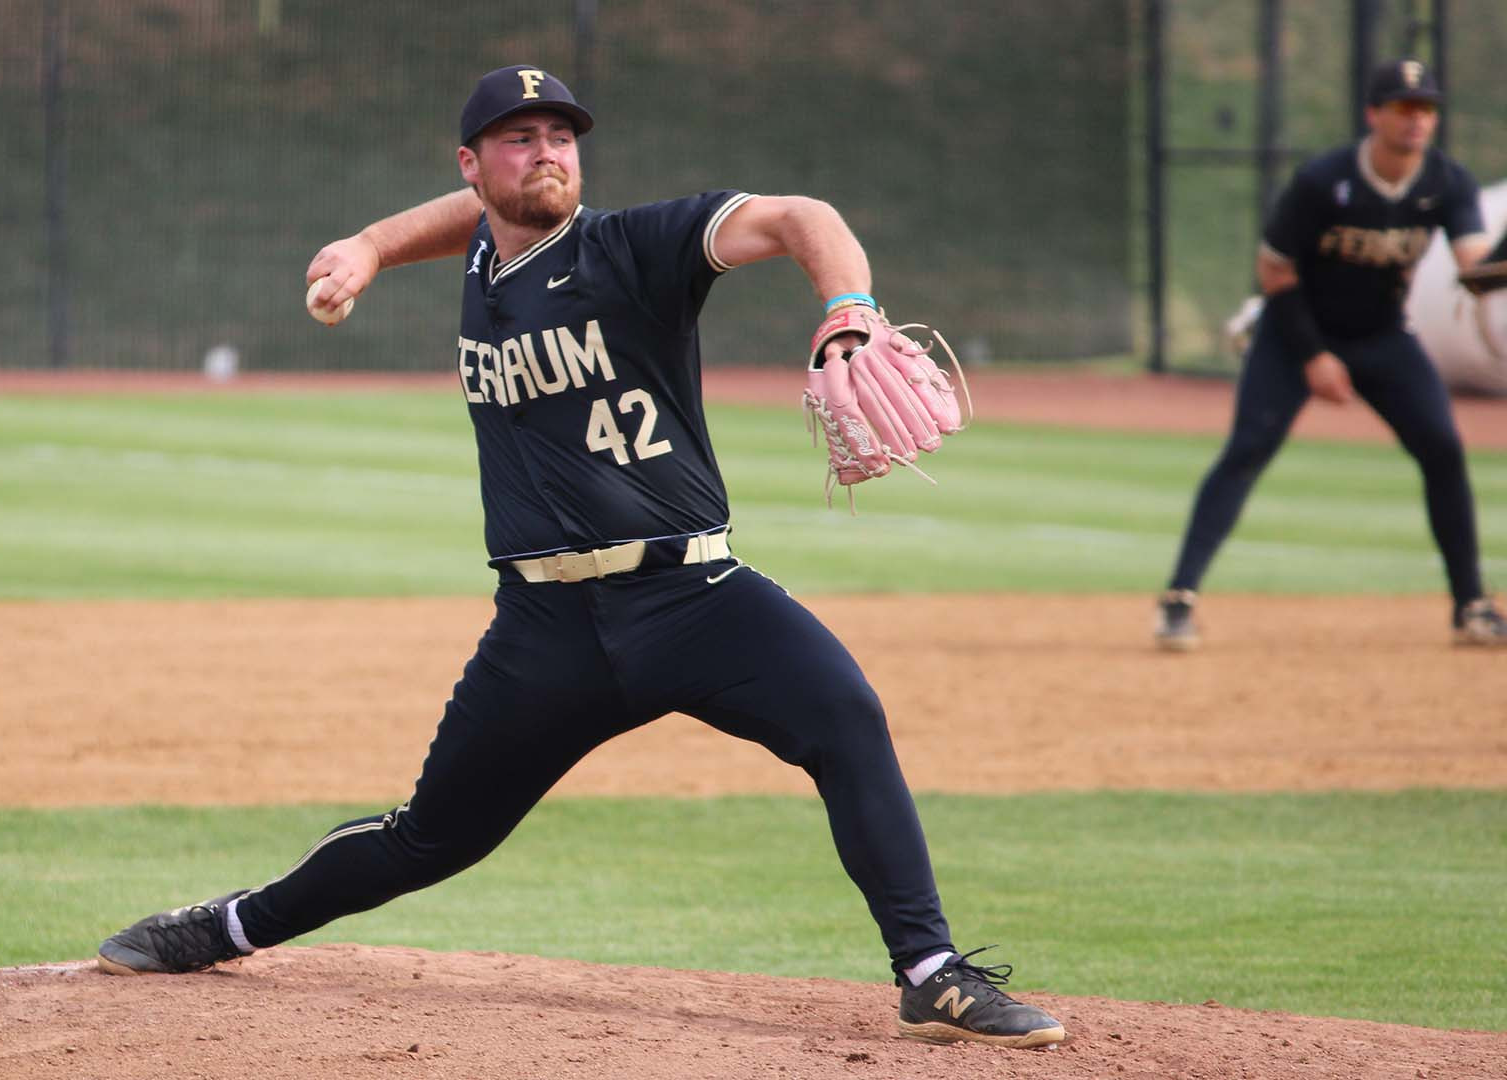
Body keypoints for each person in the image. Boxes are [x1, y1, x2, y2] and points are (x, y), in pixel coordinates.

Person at [97, 64, 1065, 1050]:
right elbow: (462, 221)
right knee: (429, 840)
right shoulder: (483, 249)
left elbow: (797, 216)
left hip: (694, 597)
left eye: (561, 135)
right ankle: (221, 928)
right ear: (474, 166)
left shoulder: (638, 246)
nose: (547, 152)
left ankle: (932, 973)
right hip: (543, 631)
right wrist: (369, 248)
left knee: (847, 718)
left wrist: (849, 305)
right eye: (520, 138)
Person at [1155, 59, 1506, 650]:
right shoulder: (1325, 180)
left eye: (1426, 109)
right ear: (1374, 114)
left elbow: (1477, 272)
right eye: (1403, 108)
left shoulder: (1447, 182)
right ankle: (1178, 599)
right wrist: (1314, 356)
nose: (1417, 120)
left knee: (1443, 449)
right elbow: (1273, 270)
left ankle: (1471, 604)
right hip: (1295, 332)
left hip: (1384, 336)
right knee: (1248, 448)